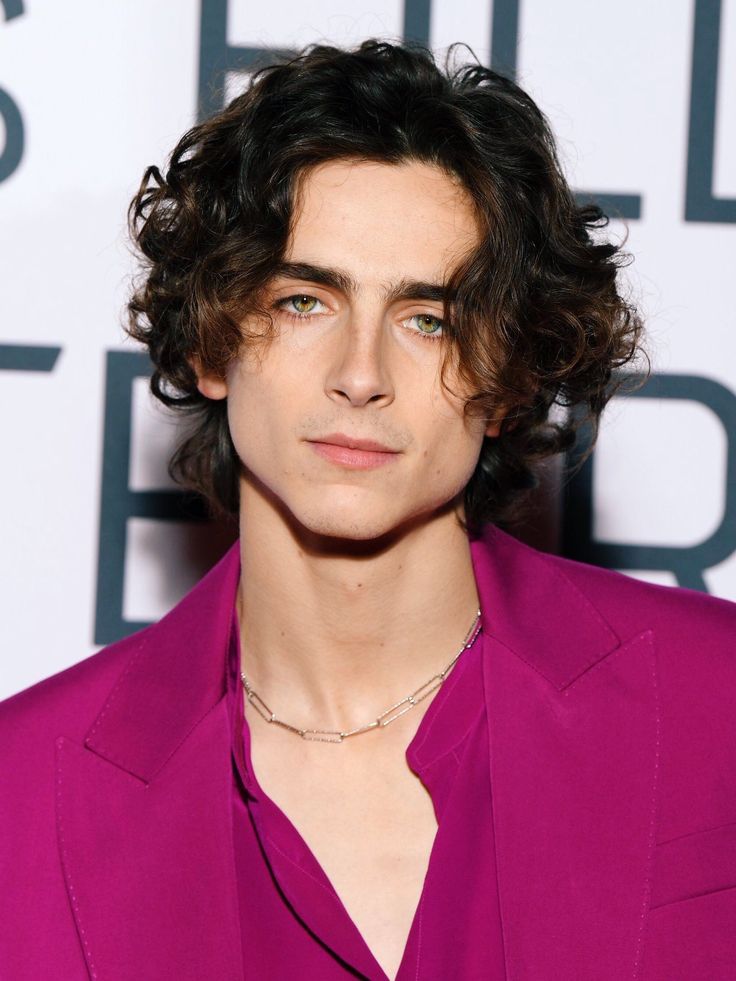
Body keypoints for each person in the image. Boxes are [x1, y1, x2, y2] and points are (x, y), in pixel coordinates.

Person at [1, 38, 735, 981]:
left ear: (509, 377)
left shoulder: (715, 700)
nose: (361, 376)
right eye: (305, 301)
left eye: (430, 319)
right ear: (210, 345)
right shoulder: (22, 792)